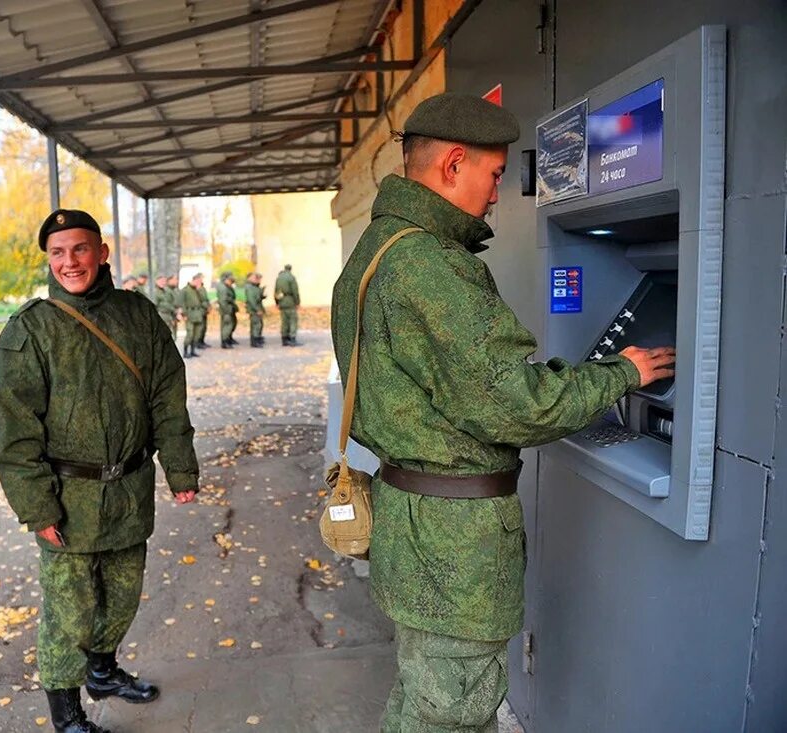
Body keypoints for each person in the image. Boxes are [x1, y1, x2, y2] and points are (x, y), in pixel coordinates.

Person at [330, 92, 676, 733]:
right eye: (492, 175)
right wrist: (627, 373)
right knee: (453, 711)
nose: (497, 195)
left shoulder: (377, 251)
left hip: (412, 520)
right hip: (455, 543)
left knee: (424, 695)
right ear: (453, 163)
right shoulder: (431, 267)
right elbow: (519, 406)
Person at [0, 209, 200, 733]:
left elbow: (166, 397)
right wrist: (37, 507)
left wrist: (180, 469)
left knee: (123, 597)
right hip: (68, 499)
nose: (69, 262)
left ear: (102, 252)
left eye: (79, 249)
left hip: (129, 492)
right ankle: (66, 716)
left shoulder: (138, 315)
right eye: (57, 253)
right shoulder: (32, 328)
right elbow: (16, 431)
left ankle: (103, 672)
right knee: (68, 616)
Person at [179, 273, 207, 359]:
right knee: (190, 334)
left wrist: (202, 311)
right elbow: (182, 303)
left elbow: (204, 300)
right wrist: (184, 314)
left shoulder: (198, 290)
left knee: (197, 334)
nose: (200, 282)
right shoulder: (185, 290)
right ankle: (185, 351)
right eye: (199, 280)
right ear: (194, 280)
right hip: (190, 314)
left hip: (198, 314)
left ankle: (192, 350)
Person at [274, 264, 301, 346]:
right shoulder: (291, 278)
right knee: (293, 320)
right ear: (290, 269)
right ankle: (292, 338)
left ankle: (284, 338)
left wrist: (277, 302)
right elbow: (295, 291)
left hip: (282, 301)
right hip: (290, 301)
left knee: (284, 321)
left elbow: (276, 291)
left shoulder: (279, 278)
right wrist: (297, 302)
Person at [216, 271, 239, 348]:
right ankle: (225, 342)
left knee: (231, 324)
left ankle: (228, 339)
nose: (231, 282)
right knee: (227, 325)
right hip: (226, 310)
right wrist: (227, 311)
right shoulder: (223, 288)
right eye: (230, 280)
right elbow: (223, 301)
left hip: (229, 308)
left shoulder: (227, 286)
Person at [244, 271, 266, 347]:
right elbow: (251, 300)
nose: (257, 279)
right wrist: (257, 310)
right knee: (256, 325)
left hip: (257, 307)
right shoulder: (249, 287)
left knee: (259, 324)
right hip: (254, 309)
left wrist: (262, 295)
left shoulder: (254, 287)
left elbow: (257, 297)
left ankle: (257, 339)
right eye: (255, 278)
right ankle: (255, 341)